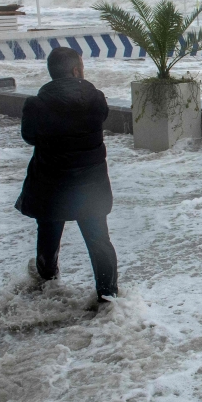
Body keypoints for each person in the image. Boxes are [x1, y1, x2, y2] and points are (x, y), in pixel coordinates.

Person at [15, 46, 118, 303]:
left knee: (48, 236)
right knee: (99, 241)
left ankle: (48, 289)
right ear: (75, 71)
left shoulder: (36, 104)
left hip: (51, 184)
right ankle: (109, 297)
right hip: (90, 187)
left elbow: (29, 137)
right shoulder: (97, 99)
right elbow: (100, 119)